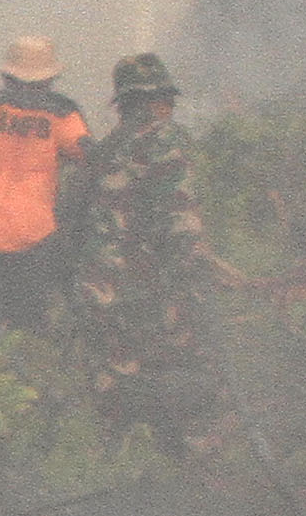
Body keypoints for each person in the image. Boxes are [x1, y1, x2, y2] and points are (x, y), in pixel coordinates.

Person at [67, 51, 224, 447]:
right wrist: (199, 278)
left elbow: (70, 220)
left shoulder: (102, 152)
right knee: (185, 379)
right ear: (158, 101)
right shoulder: (166, 140)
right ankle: (181, 456)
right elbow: (181, 219)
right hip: (151, 292)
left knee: (115, 390)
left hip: (97, 290)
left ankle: (120, 459)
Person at [0, 33, 91, 348]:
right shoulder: (62, 112)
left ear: (6, 75)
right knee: (28, 331)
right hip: (31, 238)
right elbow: (85, 152)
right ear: (50, 78)